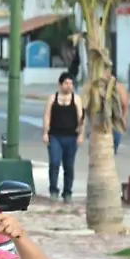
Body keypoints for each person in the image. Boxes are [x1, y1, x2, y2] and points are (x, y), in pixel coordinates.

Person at [41, 73, 83, 203]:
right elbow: (47, 115)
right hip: (55, 136)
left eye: (71, 83)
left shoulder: (76, 99)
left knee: (68, 166)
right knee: (54, 163)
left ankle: (67, 192)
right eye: (66, 83)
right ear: (60, 84)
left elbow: (81, 118)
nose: (68, 86)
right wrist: (45, 133)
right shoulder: (52, 98)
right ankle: (53, 190)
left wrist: (81, 134)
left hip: (71, 137)